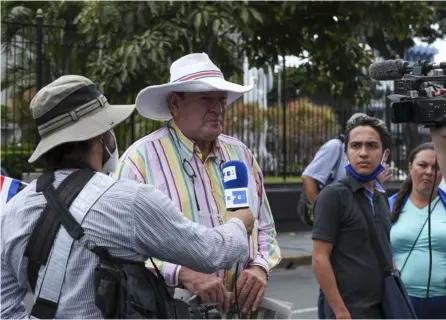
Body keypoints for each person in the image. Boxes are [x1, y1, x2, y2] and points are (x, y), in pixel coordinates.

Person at [1, 75, 255, 319]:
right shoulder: (129, 201)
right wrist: (237, 222)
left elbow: (5, 309)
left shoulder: (14, 211)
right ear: (99, 136)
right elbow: (212, 253)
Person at [114, 53, 281, 314]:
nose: (218, 108)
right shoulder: (139, 161)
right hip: (172, 309)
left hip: (240, 310)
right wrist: (182, 273)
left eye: (221, 99)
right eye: (205, 98)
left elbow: (264, 226)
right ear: (174, 104)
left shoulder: (242, 155)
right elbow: (120, 243)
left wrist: (260, 267)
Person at [312, 113, 393, 319]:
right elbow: (320, 259)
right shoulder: (333, 196)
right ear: (346, 153)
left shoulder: (381, 196)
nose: (363, 153)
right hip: (349, 312)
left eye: (372, 146)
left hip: (382, 309)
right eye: (356, 146)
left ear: (385, 154)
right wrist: (340, 312)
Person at [389, 142, 446, 319]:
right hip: (400, 300)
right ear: (410, 167)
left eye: (435, 167)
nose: (429, 171)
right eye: (422, 165)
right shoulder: (388, 206)